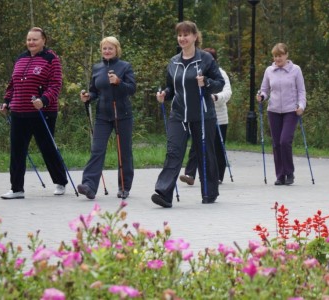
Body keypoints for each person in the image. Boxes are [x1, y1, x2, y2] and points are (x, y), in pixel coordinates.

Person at [152, 21, 225, 208]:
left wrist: (206, 82)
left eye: (186, 34)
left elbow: (219, 83)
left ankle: (209, 192)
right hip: (178, 114)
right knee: (173, 152)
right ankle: (164, 194)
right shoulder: (173, 62)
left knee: (205, 153)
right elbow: (170, 87)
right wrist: (164, 95)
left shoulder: (206, 59)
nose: (182, 38)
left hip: (202, 114)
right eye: (180, 35)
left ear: (194, 36)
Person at [0, 27, 68, 199]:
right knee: (17, 151)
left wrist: (43, 100)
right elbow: (12, 84)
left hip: (42, 112)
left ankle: (60, 181)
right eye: (29, 39)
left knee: (47, 148)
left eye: (35, 39)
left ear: (43, 40)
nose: (31, 42)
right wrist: (7, 102)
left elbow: (55, 85)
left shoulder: (51, 59)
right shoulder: (20, 58)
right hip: (19, 111)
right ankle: (17, 189)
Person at [77, 36, 136, 200]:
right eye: (104, 48)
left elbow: (131, 89)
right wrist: (88, 96)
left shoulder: (125, 67)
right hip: (102, 115)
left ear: (117, 49)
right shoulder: (97, 68)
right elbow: (94, 91)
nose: (107, 51)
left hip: (122, 115)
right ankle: (89, 185)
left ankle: (124, 186)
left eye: (110, 48)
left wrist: (118, 82)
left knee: (123, 152)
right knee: (97, 150)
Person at [179, 47, 232, 185]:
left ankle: (218, 175)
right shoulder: (196, 72)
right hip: (201, 115)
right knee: (197, 144)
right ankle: (190, 174)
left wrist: (215, 97)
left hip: (219, 117)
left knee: (217, 147)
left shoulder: (221, 73)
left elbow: (227, 92)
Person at [256, 43, 306, 186]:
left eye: (280, 55)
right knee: (276, 144)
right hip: (274, 110)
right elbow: (264, 89)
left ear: (286, 55)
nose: (277, 59)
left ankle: (289, 172)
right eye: (275, 56)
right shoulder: (269, 70)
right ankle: (280, 175)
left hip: (291, 110)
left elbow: (301, 91)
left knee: (285, 141)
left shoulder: (295, 70)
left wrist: (301, 106)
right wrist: (261, 96)